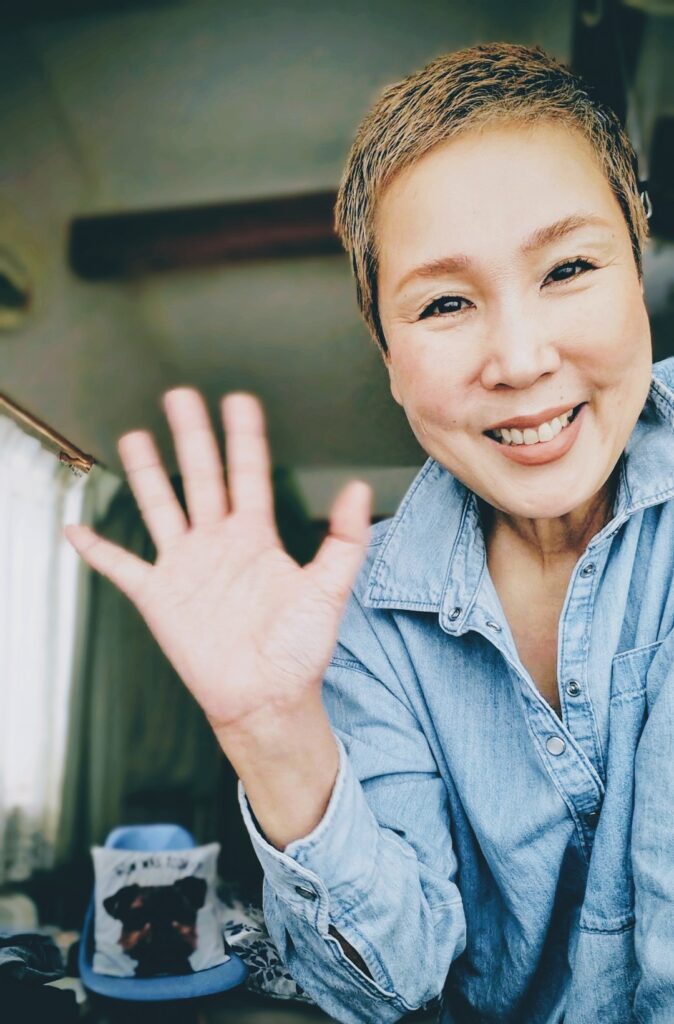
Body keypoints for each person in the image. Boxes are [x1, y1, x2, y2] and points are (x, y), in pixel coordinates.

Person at [64, 41, 674, 1023]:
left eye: (567, 267)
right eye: (444, 302)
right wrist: (274, 739)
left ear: (637, 266)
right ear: (389, 360)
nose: (520, 358)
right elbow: (391, 982)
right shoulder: (361, 621)